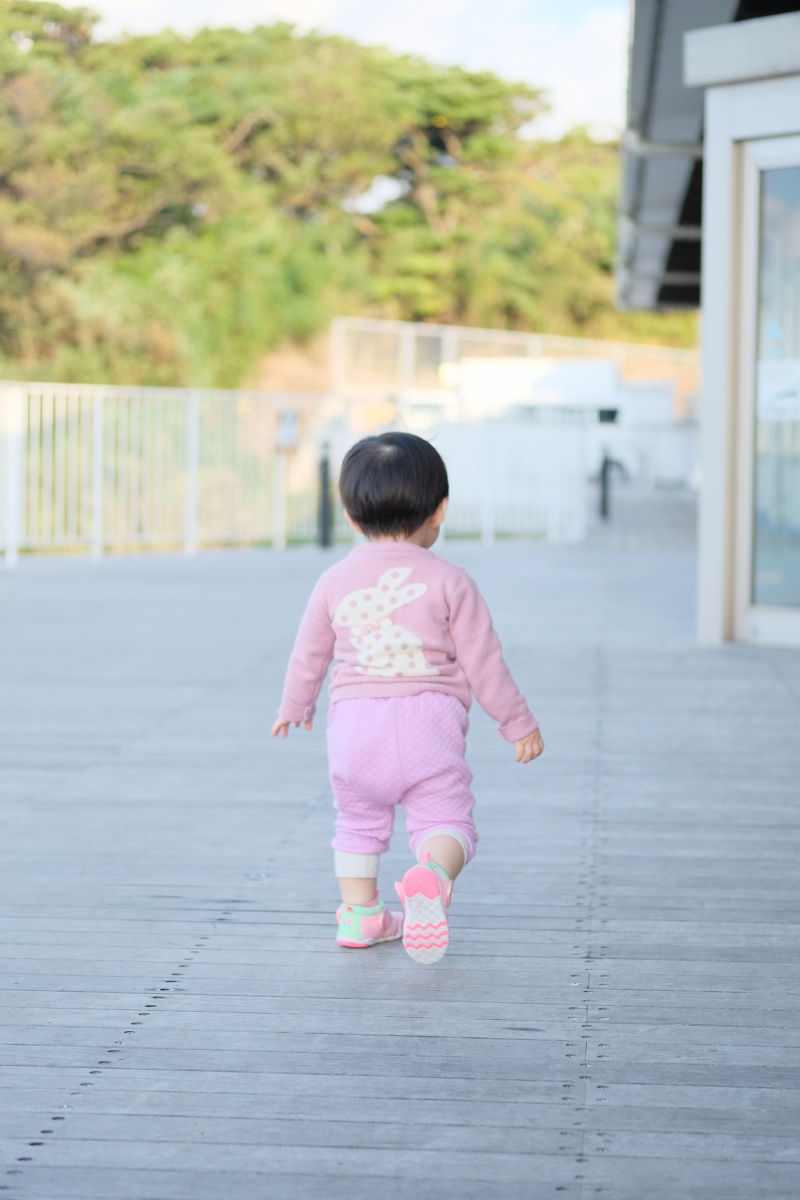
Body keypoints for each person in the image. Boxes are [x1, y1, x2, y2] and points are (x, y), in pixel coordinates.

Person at [271, 432, 543, 965]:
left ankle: (361, 915)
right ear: (439, 510)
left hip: (355, 728)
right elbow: (484, 662)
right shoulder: (452, 581)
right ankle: (432, 877)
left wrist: (294, 706)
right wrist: (518, 723)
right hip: (429, 725)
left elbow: (309, 653)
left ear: (351, 517)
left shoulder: (333, 580)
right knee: (445, 817)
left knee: (356, 819)